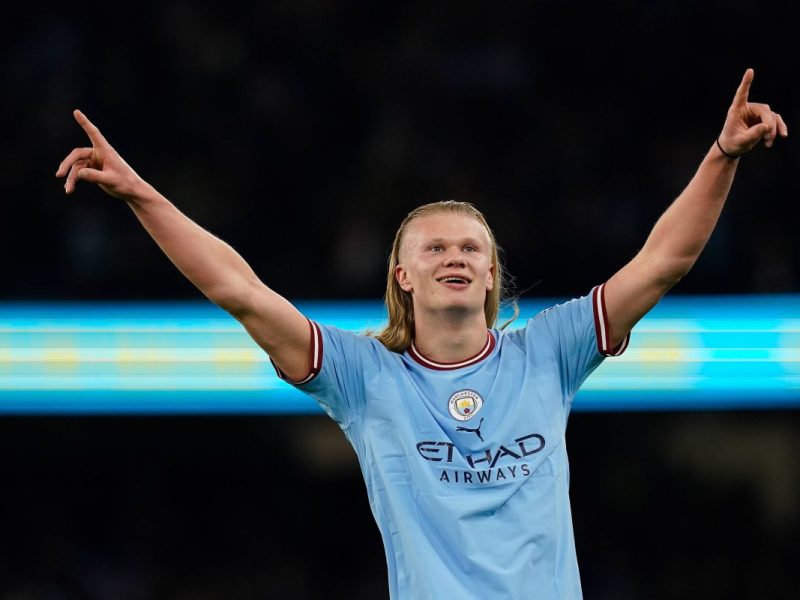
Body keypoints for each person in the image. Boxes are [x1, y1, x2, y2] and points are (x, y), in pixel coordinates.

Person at [57, 69, 787, 599]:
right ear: (403, 276)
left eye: (471, 248)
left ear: (492, 274)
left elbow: (663, 262)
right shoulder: (364, 377)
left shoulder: (550, 351)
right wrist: (141, 194)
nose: (455, 257)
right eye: (435, 248)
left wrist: (721, 157)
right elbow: (239, 291)